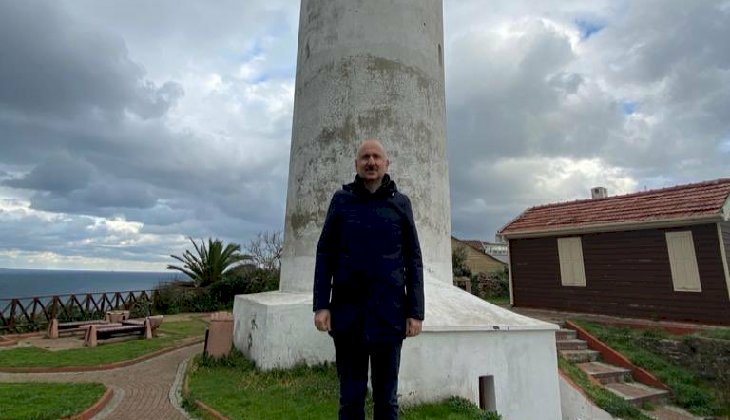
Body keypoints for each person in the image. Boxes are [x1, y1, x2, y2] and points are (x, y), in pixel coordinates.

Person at [313, 139, 425, 420]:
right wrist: (321, 304)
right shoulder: (341, 201)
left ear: (386, 164)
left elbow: (413, 259)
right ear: (356, 165)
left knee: (386, 400)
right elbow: (325, 252)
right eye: (365, 157)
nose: (371, 162)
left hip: (389, 316)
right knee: (350, 399)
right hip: (348, 316)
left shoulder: (401, 204)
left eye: (376, 157)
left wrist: (415, 311)